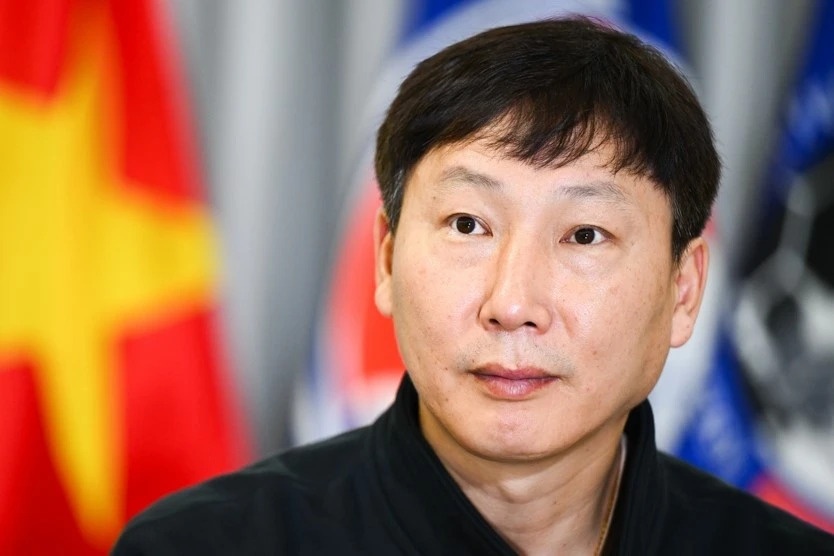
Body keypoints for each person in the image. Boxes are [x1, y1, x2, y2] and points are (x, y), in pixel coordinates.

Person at [113, 16, 834, 555]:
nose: (512, 304)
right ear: (386, 259)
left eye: (585, 235)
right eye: (467, 225)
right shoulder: (205, 547)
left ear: (684, 290)